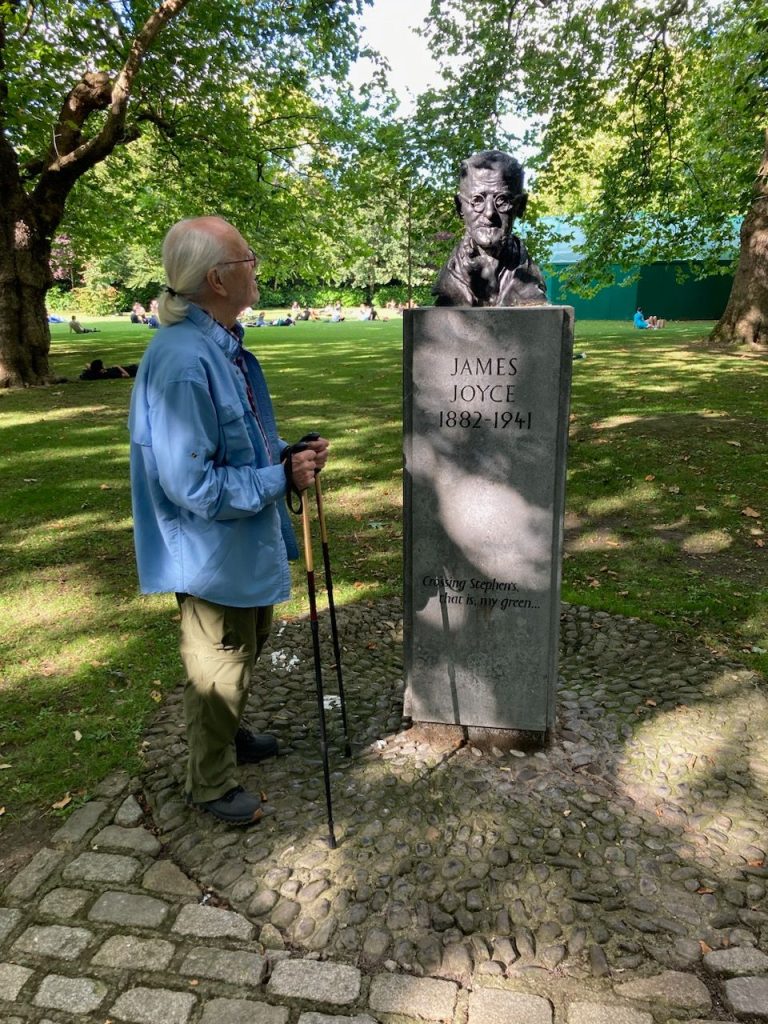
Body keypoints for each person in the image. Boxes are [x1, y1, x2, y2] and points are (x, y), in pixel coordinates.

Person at [128, 216, 329, 826]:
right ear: (217, 279)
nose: (256, 269)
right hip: (210, 549)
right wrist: (280, 478)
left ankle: (229, 733)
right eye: (248, 259)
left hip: (238, 541)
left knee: (248, 643)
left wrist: (283, 456)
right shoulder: (184, 360)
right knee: (219, 661)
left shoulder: (220, 343)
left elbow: (233, 448)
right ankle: (208, 781)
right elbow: (191, 484)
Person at [433, 150, 547, 307]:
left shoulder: (528, 281)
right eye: (477, 200)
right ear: (460, 207)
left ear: (520, 206)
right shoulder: (451, 280)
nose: (489, 212)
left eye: (502, 200)